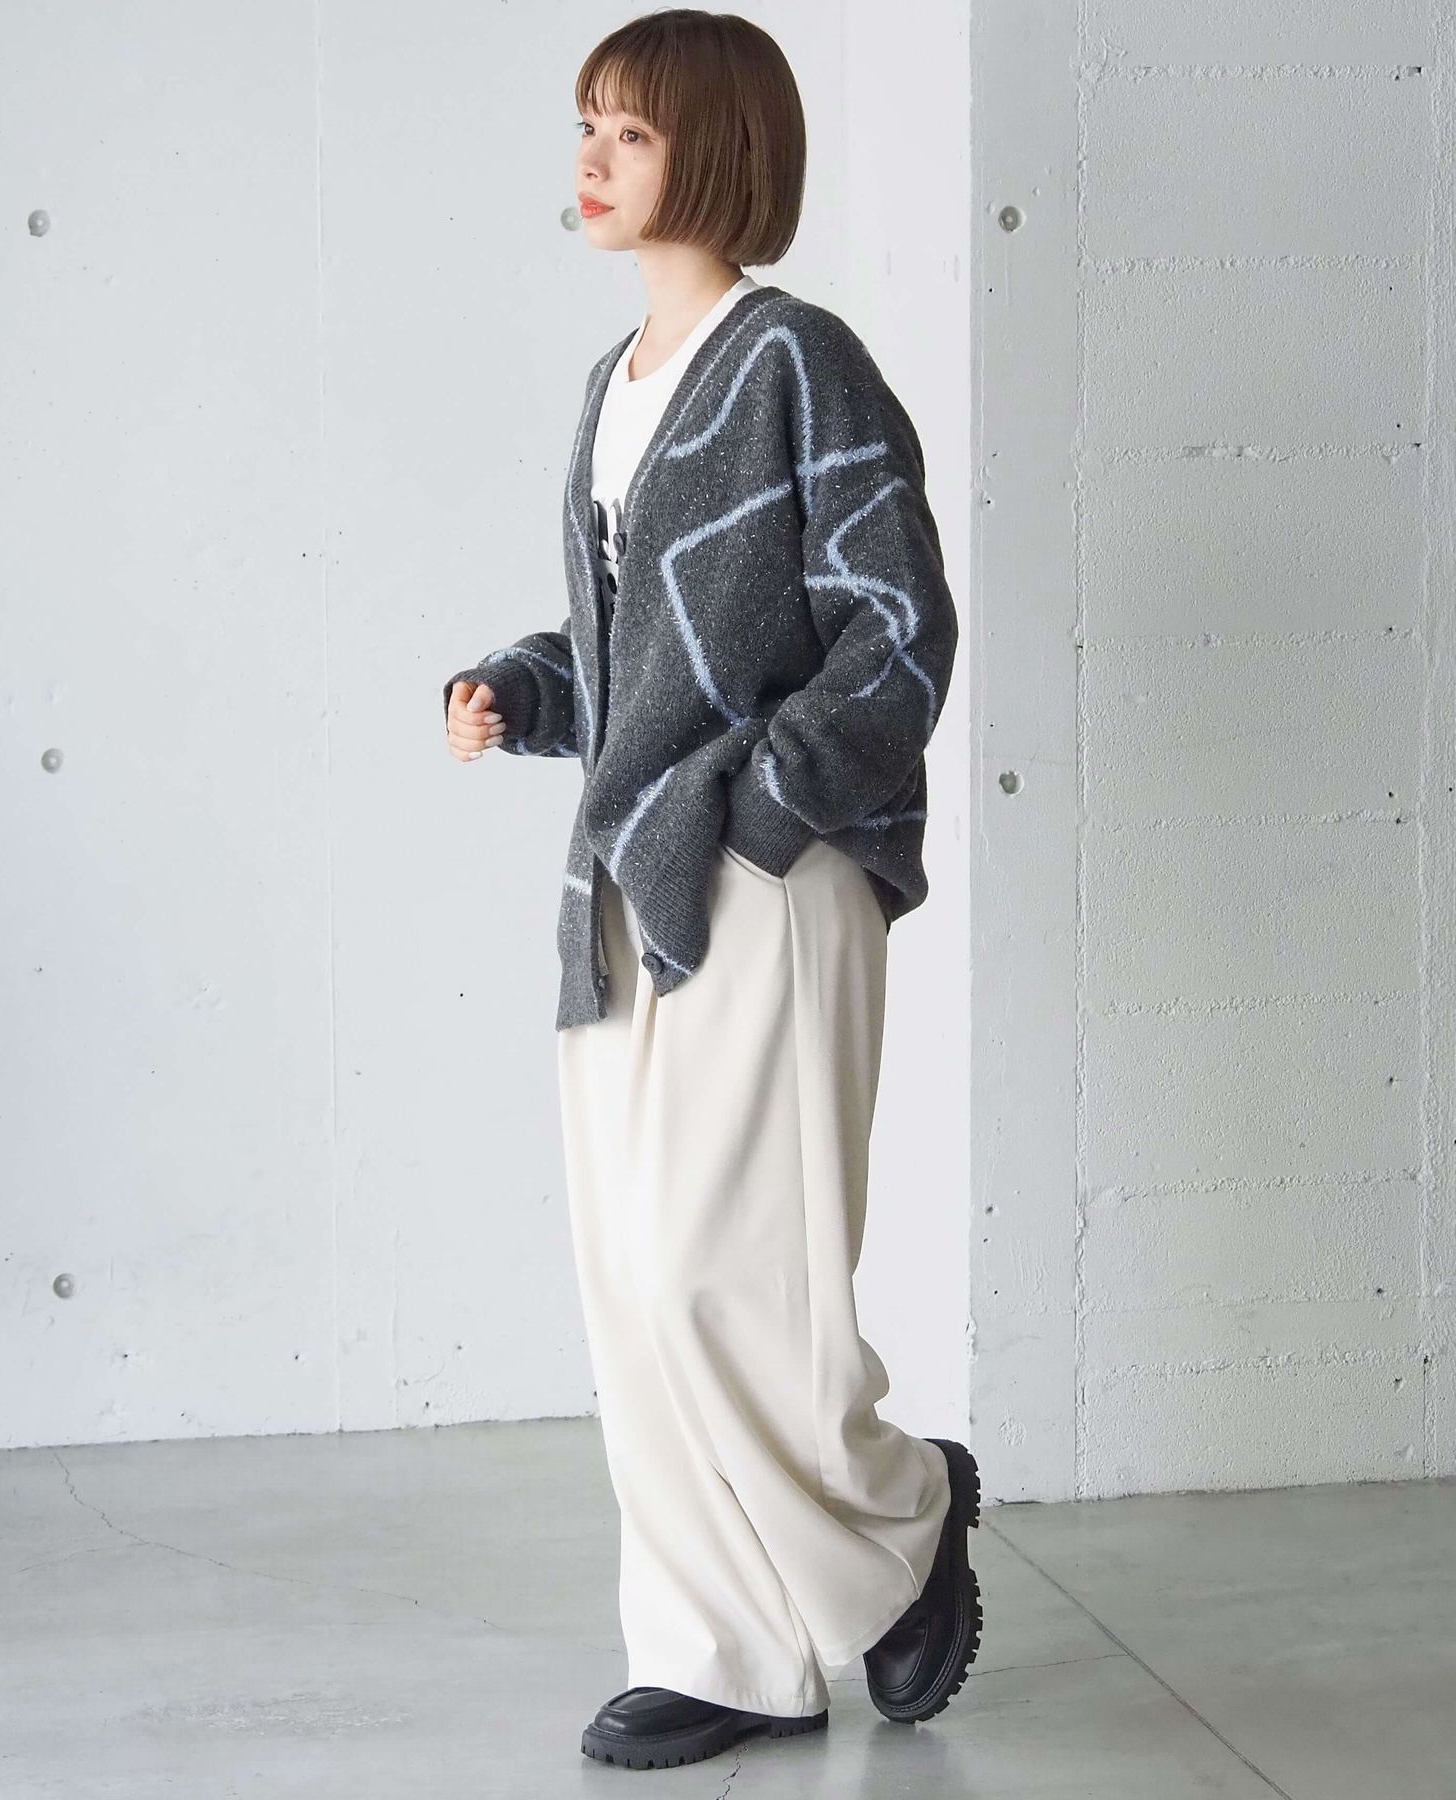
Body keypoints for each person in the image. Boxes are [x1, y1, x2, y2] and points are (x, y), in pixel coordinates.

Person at [443, 8, 980, 1773]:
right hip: (619, 884)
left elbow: (897, 625)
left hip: (766, 874)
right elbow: (636, 655)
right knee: (630, 1289)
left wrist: (768, 810)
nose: (590, 162)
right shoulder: (614, 386)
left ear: (720, 151)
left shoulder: (797, 363)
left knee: (720, 1276)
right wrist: (523, 688)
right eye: (585, 126)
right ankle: (720, 1648)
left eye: (631, 133)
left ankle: (900, 1527)